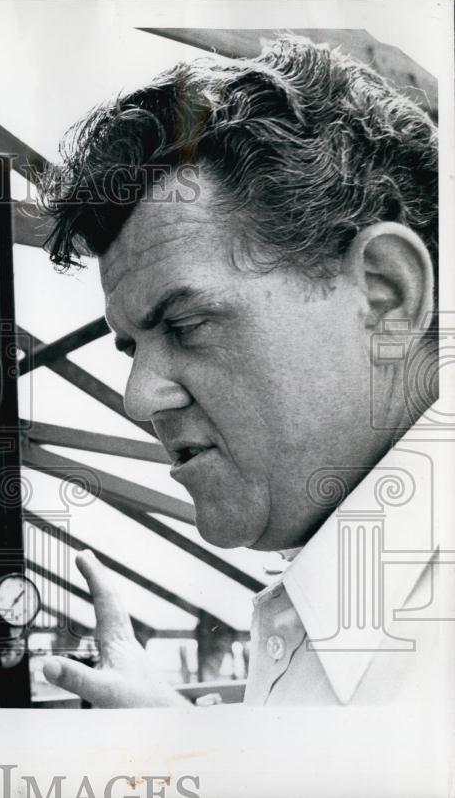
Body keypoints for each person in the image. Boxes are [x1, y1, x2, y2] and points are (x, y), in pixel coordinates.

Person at [38, 35, 445, 706]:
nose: (139, 400)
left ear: (386, 295)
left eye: (187, 325)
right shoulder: (344, 596)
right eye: (131, 347)